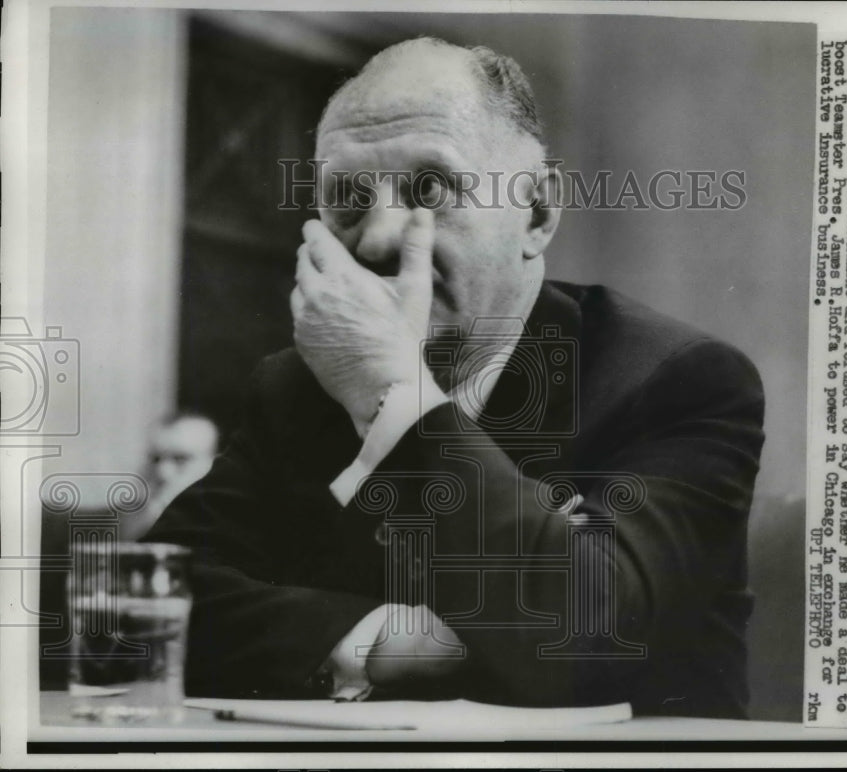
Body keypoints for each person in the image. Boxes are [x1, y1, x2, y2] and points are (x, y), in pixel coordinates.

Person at [145, 37, 765, 718]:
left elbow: (584, 637)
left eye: (430, 188)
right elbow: (137, 606)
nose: (379, 239)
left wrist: (392, 393)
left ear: (536, 213)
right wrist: (394, 640)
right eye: (347, 199)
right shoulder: (298, 387)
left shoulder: (677, 380)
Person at [120, 411, 220, 541]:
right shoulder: (133, 517)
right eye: (155, 459)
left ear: (216, 464)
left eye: (180, 459)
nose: (163, 473)